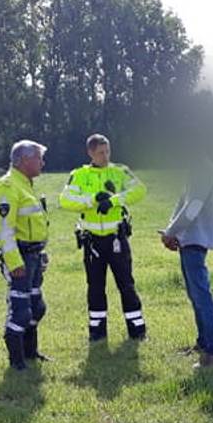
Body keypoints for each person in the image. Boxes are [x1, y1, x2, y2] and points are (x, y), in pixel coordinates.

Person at [59, 134, 148, 342]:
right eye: (100, 153)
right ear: (90, 153)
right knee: (95, 287)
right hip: (93, 242)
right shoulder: (79, 175)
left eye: (107, 151)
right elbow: (65, 200)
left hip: (117, 238)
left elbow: (140, 190)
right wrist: (90, 201)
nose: (105, 156)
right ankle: (97, 333)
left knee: (126, 284)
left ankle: (137, 330)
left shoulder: (120, 171)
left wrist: (116, 200)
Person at [160, 134, 213, 368]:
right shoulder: (194, 169)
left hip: (196, 240)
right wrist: (171, 231)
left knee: (201, 296)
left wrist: (171, 232)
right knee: (195, 295)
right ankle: (203, 342)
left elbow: (193, 206)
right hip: (187, 239)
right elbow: (182, 203)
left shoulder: (202, 168)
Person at [0, 140, 51, 371]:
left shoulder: (26, 184)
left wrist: (41, 253)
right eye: (39, 158)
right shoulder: (7, 187)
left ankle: (31, 352)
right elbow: (4, 231)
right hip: (21, 259)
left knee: (37, 307)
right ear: (24, 160)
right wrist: (14, 262)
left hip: (34, 257)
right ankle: (16, 361)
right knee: (21, 310)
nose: (42, 163)